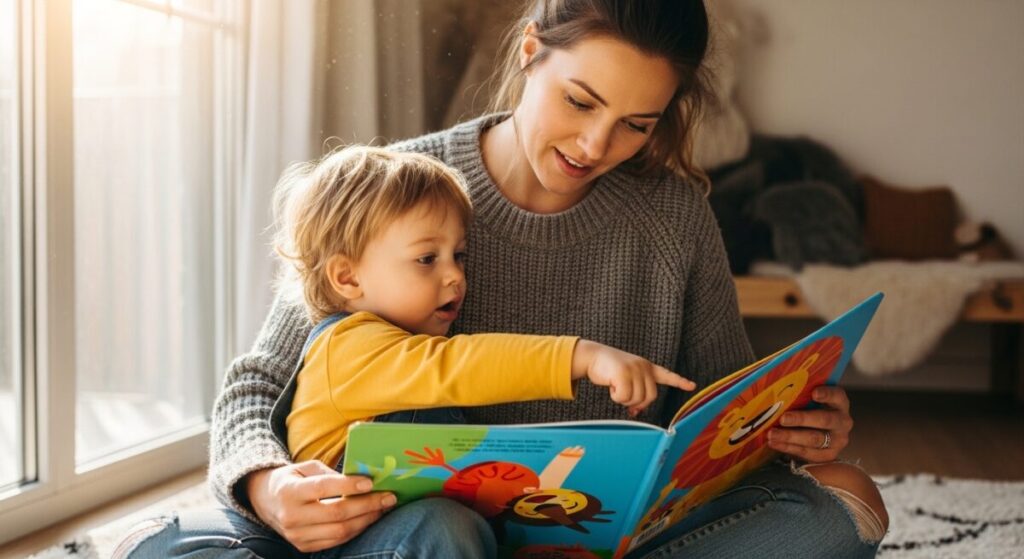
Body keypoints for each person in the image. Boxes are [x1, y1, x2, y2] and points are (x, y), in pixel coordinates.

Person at [117, 1, 888, 557]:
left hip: (596, 535)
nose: (595, 143)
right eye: (579, 100)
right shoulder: (403, 191)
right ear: (529, 52)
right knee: (445, 536)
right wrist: (267, 485)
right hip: (423, 531)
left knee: (844, 500)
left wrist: (784, 425)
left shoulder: (676, 215)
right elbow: (257, 385)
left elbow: (718, 398)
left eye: (637, 124)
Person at [271, 145, 693, 470]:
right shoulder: (347, 348)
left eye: (460, 255)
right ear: (347, 278)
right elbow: (460, 366)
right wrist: (584, 357)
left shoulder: (397, 344)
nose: (455, 275)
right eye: (426, 259)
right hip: (351, 541)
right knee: (443, 524)